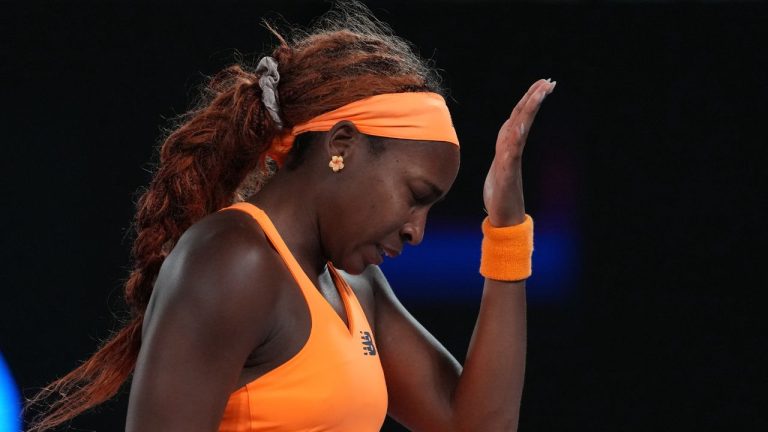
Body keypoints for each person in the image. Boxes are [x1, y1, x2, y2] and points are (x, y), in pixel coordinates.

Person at [26, 3, 555, 431]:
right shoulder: (233, 260)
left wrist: (506, 227)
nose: (417, 230)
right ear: (341, 145)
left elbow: (478, 425)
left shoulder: (356, 286)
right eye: (416, 195)